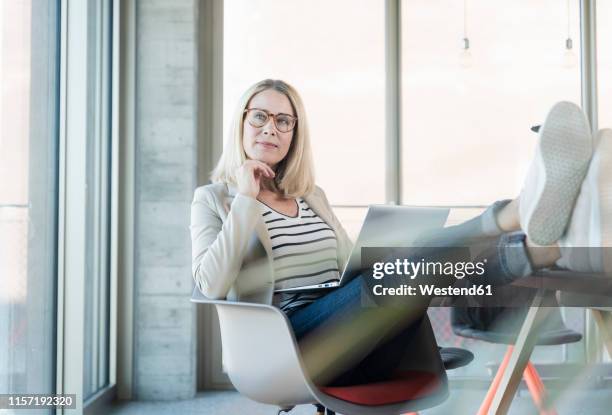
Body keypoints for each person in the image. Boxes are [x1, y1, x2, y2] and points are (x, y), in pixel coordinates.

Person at [190, 79, 611, 386]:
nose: (271, 128)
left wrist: (386, 255)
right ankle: (521, 217)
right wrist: (245, 198)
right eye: (260, 116)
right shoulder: (214, 200)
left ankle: (549, 244)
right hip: (290, 339)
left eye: (284, 121)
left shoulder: (310, 196)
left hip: (348, 317)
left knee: (407, 262)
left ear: (294, 136)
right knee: (399, 270)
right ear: (242, 123)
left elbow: (351, 266)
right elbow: (209, 283)